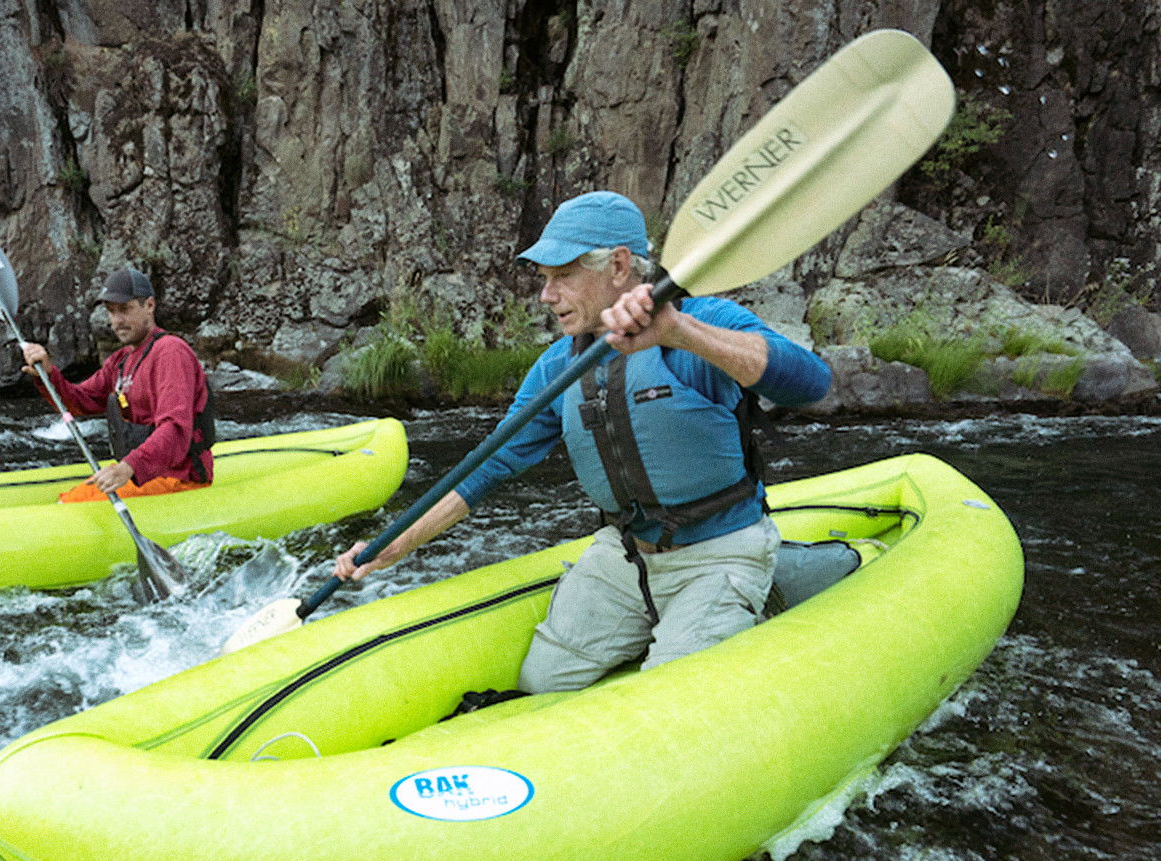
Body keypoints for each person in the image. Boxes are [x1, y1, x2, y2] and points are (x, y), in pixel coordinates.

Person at [333, 191, 830, 694]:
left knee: (667, 699)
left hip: (719, 551)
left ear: (618, 267)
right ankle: (670, 620)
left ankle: (760, 591)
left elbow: (812, 383)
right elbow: (490, 464)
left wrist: (679, 333)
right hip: (626, 555)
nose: (547, 296)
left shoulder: (701, 323)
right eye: (545, 280)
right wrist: (395, 544)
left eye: (563, 276)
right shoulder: (557, 367)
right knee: (542, 681)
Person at [18, 267, 215, 503]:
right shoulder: (121, 361)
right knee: (74, 495)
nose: (117, 321)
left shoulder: (170, 352)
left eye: (125, 309)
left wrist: (129, 467)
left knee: (70, 503)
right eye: (111, 312)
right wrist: (47, 375)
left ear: (149, 306)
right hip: (145, 474)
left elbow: (175, 429)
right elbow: (80, 401)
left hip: (179, 478)